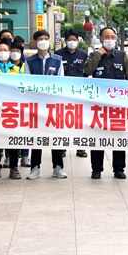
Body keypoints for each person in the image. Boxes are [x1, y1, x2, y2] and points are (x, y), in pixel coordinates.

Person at [83, 27, 128, 179]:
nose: (110, 40)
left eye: (113, 37)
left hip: (117, 105)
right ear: (100, 39)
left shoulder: (122, 56)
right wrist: (99, 54)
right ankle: (96, 169)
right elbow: (86, 72)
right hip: (98, 105)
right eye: (107, 37)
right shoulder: (94, 55)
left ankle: (119, 168)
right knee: (98, 137)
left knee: (118, 137)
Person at [24, 30, 68, 179]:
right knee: (37, 136)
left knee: (54, 136)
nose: (43, 41)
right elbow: (27, 83)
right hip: (36, 105)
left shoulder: (57, 60)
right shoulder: (29, 62)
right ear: (35, 42)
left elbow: (61, 81)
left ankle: (58, 167)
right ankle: (35, 168)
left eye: (45, 38)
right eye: (40, 39)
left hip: (52, 105)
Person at [0, 40, 22, 180]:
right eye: (0, 50)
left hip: (12, 109)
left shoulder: (17, 69)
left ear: (9, 52)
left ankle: (14, 167)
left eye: (5, 50)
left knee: (13, 139)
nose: (3, 52)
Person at [55, 28, 89, 158]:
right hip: (63, 93)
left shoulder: (83, 55)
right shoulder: (58, 54)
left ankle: (80, 147)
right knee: (63, 121)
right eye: (69, 40)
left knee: (80, 121)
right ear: (65, 41)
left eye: (74, 40)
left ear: (78, 41)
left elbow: (86, 72)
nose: (72, 42)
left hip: (80, 93)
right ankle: (63, 147)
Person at [9, 40, 30, 167]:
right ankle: (8, 157)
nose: (15, 53)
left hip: (24, 102)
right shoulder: (4, 66)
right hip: (9, 103)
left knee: (25, 130)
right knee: (9, 131)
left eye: (17, 51)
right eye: (13, 51)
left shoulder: (25, 65)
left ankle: (25, 156)